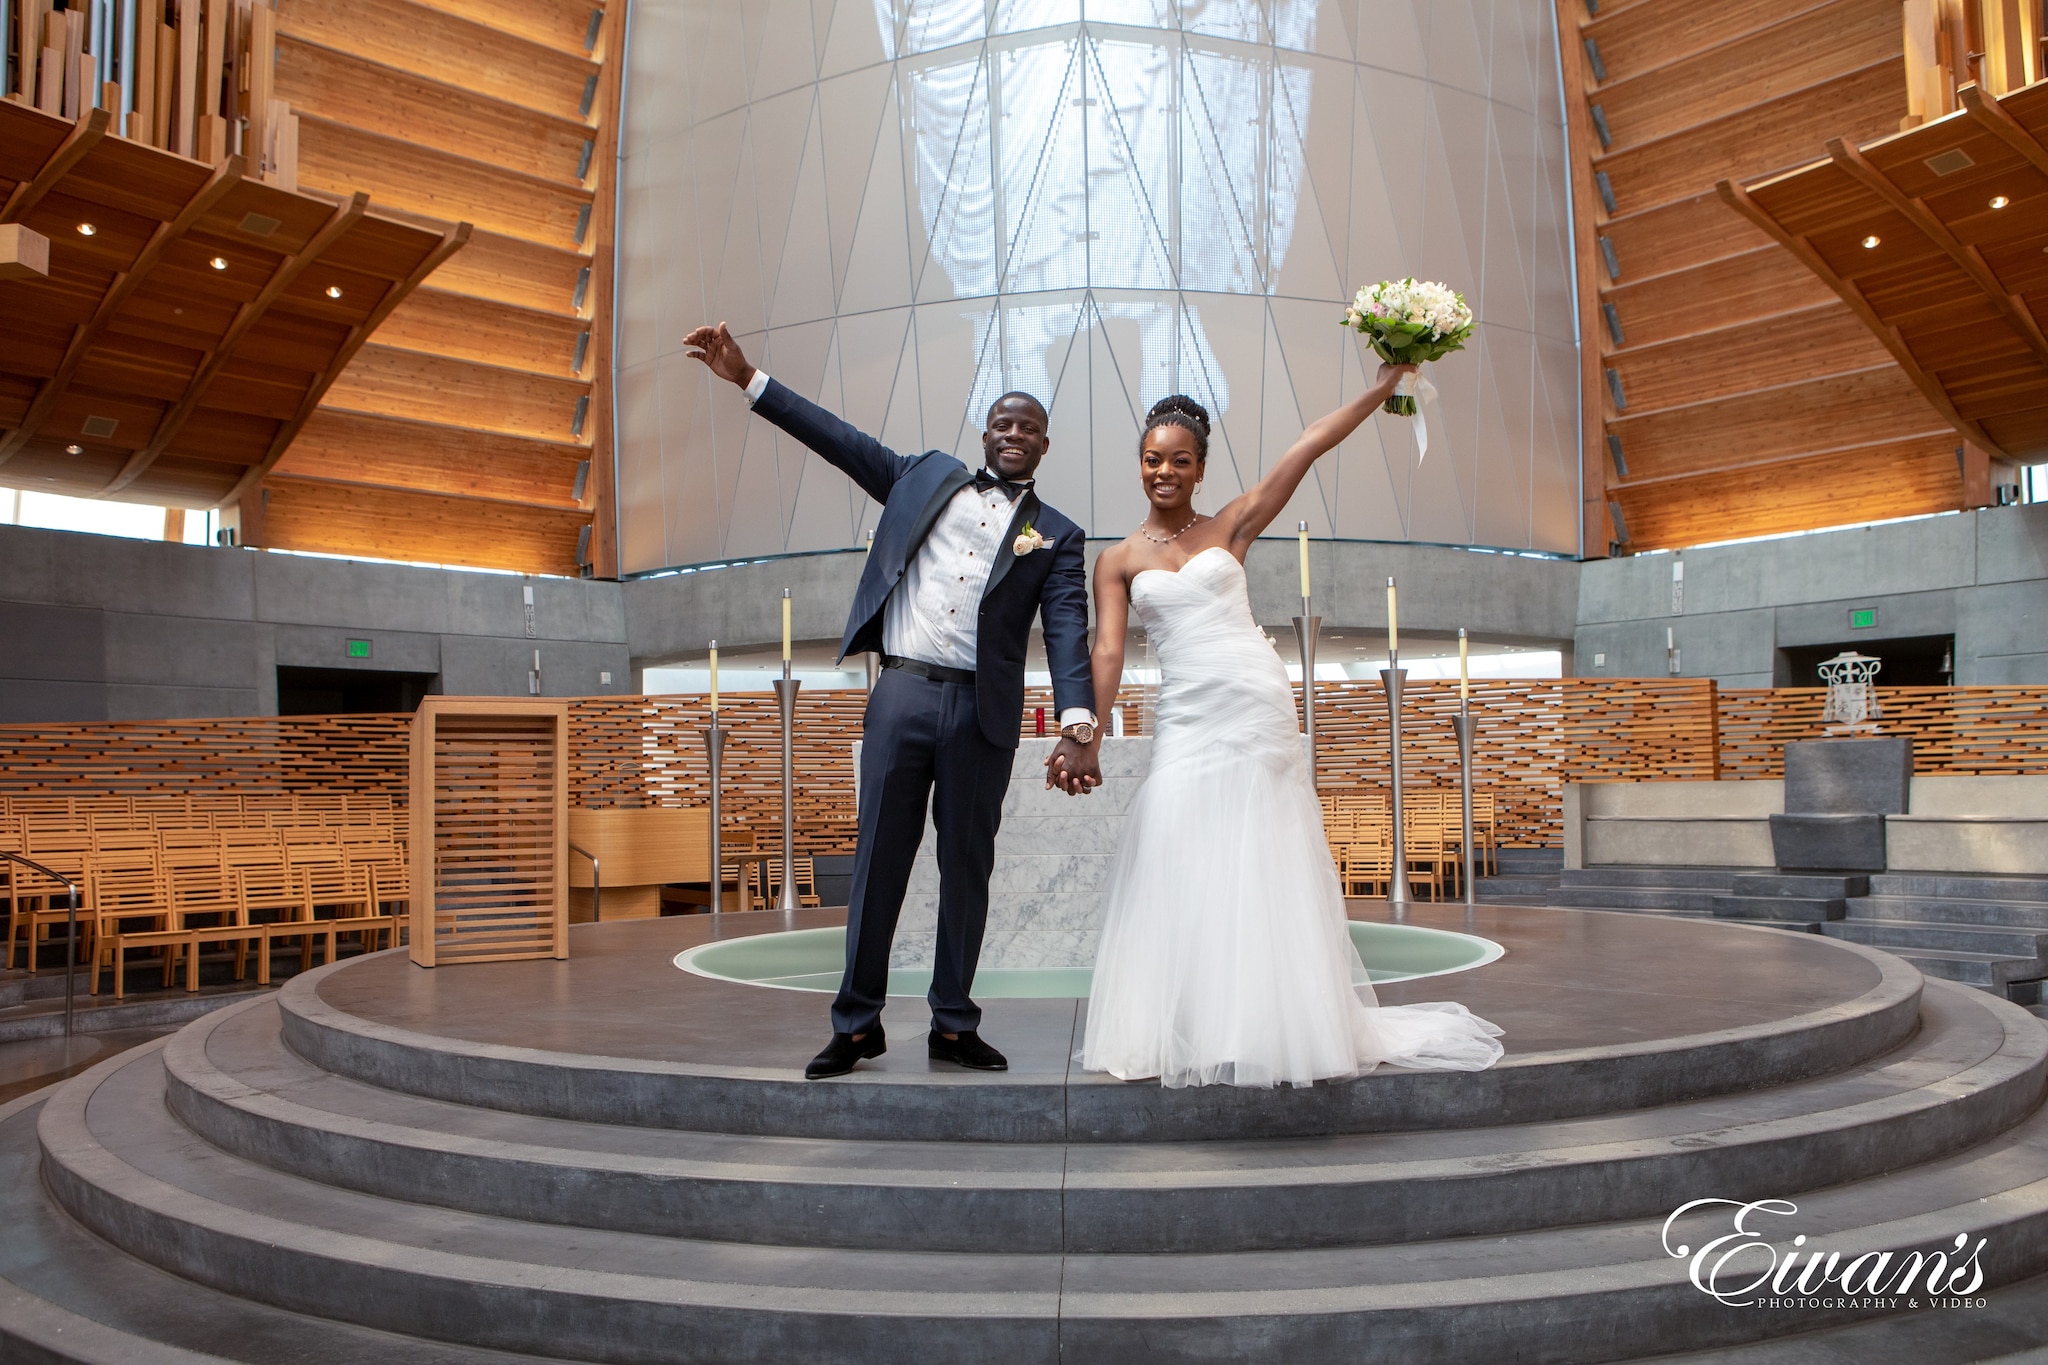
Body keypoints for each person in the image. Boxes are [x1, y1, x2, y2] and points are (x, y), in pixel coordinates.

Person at [683, 323, 1100, 1080]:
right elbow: (836, 439)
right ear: (985, 433)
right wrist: (748, 379)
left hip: (983, 714)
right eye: (1004, 423)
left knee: (966, 868)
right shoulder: (922, 476)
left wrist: (1078, 719)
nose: (1014, 434)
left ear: (1044, 445)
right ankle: (855, 1023)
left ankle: (952, 1022)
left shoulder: (1058, 534)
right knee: (879, 861)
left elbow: (1068, 623)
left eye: (1028, 428)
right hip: (902, 692)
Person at [1066, 374, 1505, 1088]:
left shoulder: (1233, 523)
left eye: (1180, 459)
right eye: (1153, 458)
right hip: (1186, 715)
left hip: (1252, 699)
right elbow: (1107, 652)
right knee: (1179, 841)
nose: (1165, 470)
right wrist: (1087, 731)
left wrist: (1385, 385)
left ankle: (1272, 1023)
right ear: (1139, 463)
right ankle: (1194, 1022)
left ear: (1201, 467)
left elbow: (1309, 444)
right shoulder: (1114, 560)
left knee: (1261, 854)